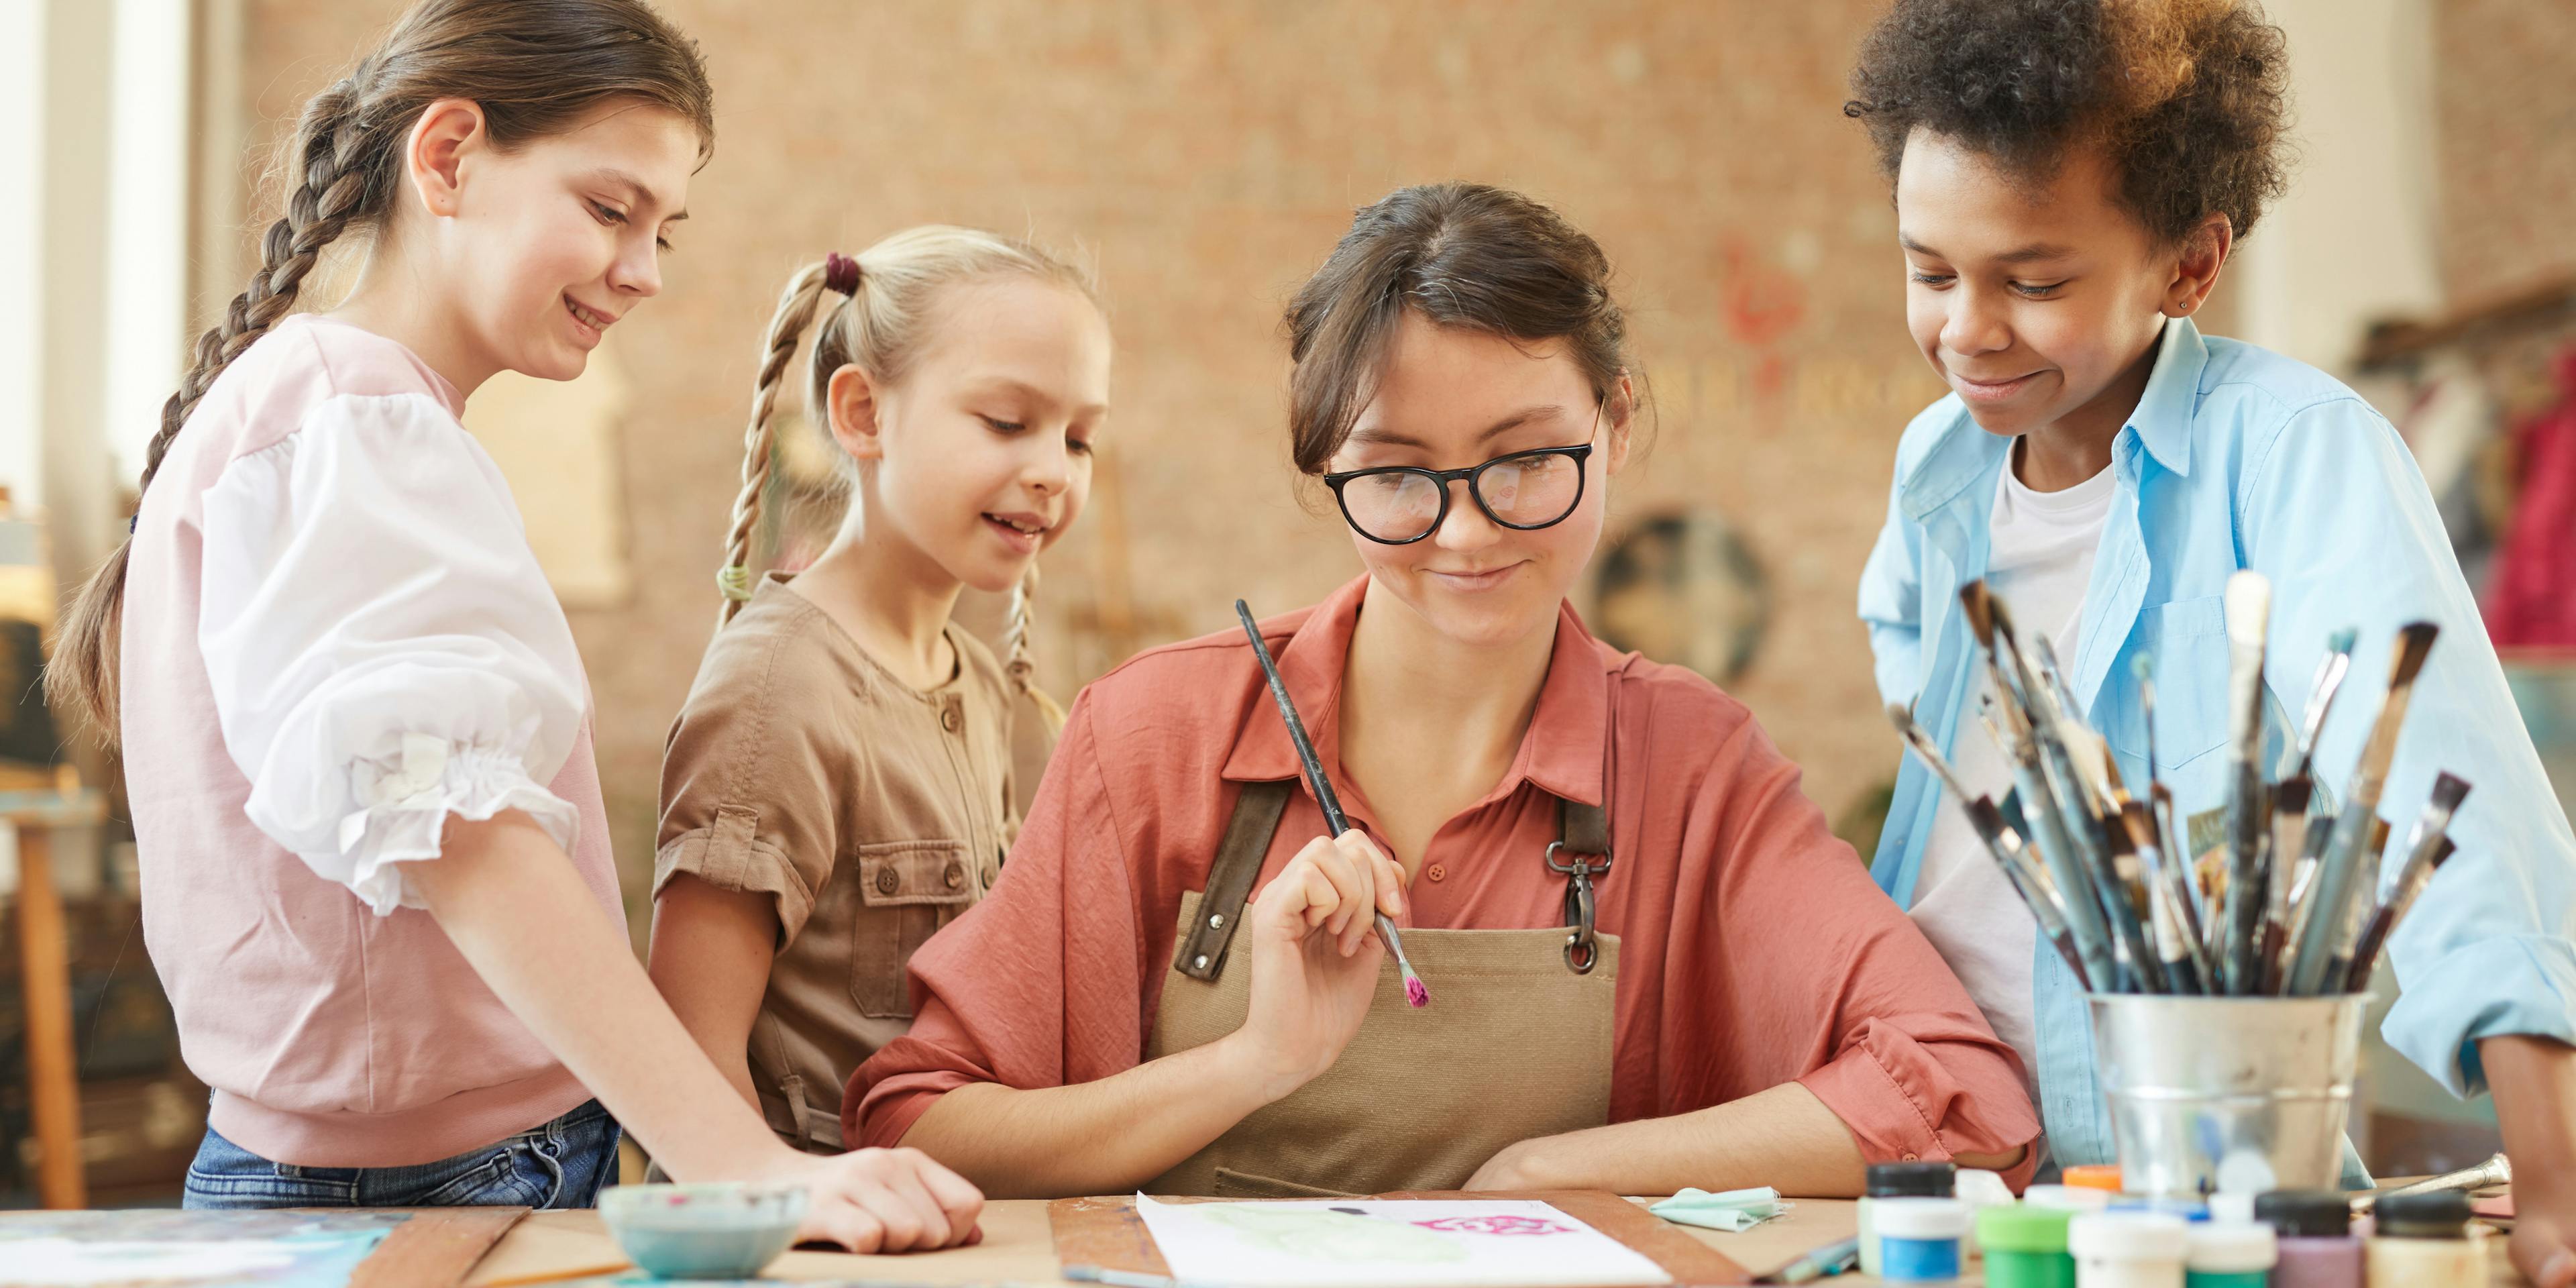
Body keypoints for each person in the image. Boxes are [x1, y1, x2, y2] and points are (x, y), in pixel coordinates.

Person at [850, 182, 2039, 1199]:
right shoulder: (1156, 735)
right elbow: (917, 1121)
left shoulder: (1691, 764)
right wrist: (1251, 1062)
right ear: (1328, 467)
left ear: (1615, 424)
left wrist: (1554, 1172)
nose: (1466, 532)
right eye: (1399, 476)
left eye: (1526, 460)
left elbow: (1965, 1101)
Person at [48, 0, 979, 1248]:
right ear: (447, 158)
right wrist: (741, 1160)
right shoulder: (351, 419)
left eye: (662, 229)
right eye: (609, 209)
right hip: (436, 1184)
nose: (643, 270)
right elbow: (462, 835)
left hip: (404, 1166)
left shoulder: (337, 411)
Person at [1847, 3, 2576, 1281]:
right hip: (1939, 1140)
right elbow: (1919, 698)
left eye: (2033, 281)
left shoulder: (2292, 453)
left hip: (2175, 1179)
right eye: (1929, 271)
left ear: (2190, 264)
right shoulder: (1934, 467)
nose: (1967, 328)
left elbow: (2445, 793)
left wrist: (2557, 1180)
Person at [649, 228, 1108, 1154]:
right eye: (1007, 422)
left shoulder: (977, 685)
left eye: (1079, 437)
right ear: (862, 414)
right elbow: (687, 1053)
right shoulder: (778, 691)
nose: (1054, 470)